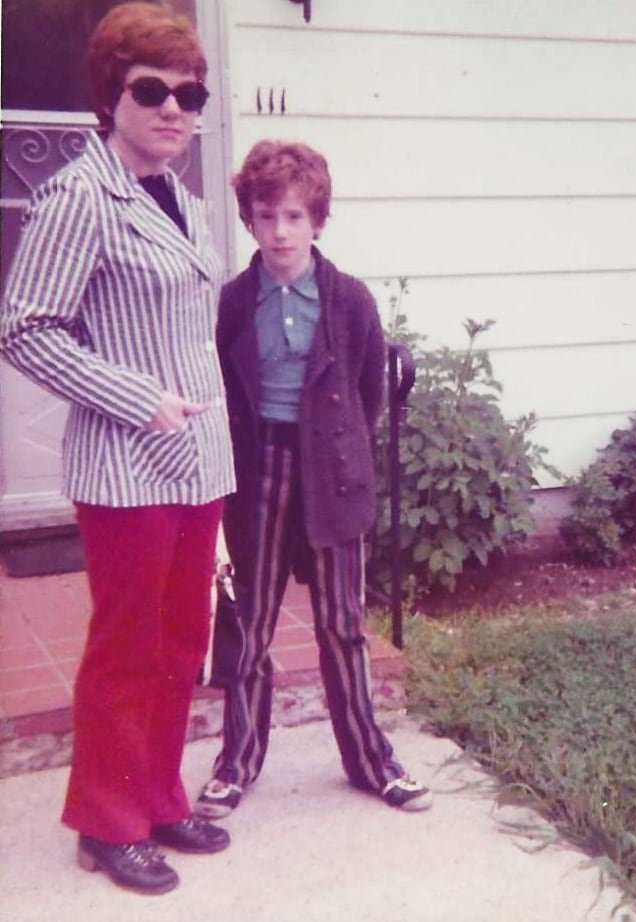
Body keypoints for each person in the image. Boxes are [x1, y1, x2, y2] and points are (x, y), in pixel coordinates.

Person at [0, 2, 235, 896]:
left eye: (190, 94)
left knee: (183, 641)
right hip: (126, 466)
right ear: (112, 96)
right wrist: (137, 399)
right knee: (128, 644)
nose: (174, 108)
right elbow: (24, 329)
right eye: (153, 90)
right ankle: (107, 822)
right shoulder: (77, 197)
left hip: (199, 459)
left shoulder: (182, 197)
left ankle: (161, 797)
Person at [194, 139, 433, 818]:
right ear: (249, 220)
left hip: (330, 467)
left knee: (341, 623)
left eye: (295, 217)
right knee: (252, 621)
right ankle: (236, 764)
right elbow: (226, 384)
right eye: (267, 216)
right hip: (258, 467)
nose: (281, 232)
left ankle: (371, 761)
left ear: (318, 222)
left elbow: (366, 391)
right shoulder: (237, 300)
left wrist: (339, 451)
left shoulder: (350, 300)